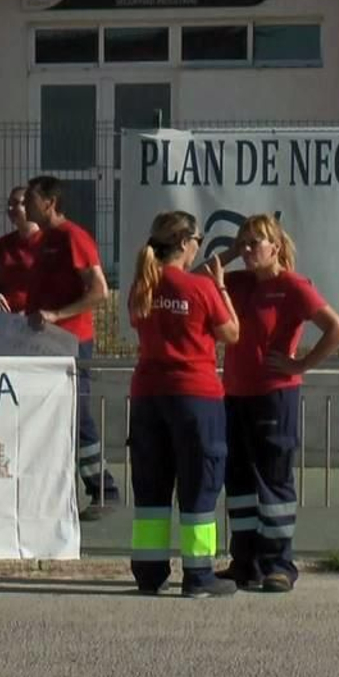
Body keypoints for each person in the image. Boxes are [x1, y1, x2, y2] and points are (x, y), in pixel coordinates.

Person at [214, 215, 339, 594]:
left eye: (255, 242)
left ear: (275, 247)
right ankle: (245, 562)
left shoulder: (292, 286)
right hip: (234, 394)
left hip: (274, 395)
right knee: (238, 479)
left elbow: (337, 329)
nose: (247, 249)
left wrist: (300, 364)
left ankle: (279, 565)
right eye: (242, 242)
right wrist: (228, 255)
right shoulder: (237, 282)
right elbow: (194, 279)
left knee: (273, 479)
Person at [125, 210, 240, 598]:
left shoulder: (143, 286)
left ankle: (149, 573)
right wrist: (221, 287)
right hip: (195, 394)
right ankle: (198, 574)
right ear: (186, 242)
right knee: (199, 484)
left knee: (152, 487)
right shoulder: (200, 288)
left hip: (147, 394)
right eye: (198, 242)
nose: (198, 249)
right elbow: (231, 333)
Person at [23, 175, 121, 517]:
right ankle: (53, 495)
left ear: (49, 203)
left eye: (31, 199)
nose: (26, 206)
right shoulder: (44, 240)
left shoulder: (73, 237)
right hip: (43, 343)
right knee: (49, 416)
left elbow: (99, 290)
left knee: (76, 414)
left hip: (71, 342)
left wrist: (57, 315)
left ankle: (103, 488)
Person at [0, 185, 42, 315]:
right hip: (7, 319)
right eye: (9, 204)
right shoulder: (3, 244)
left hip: (38, 318)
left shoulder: (47, 242)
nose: (10, 208)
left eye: (15, 203)